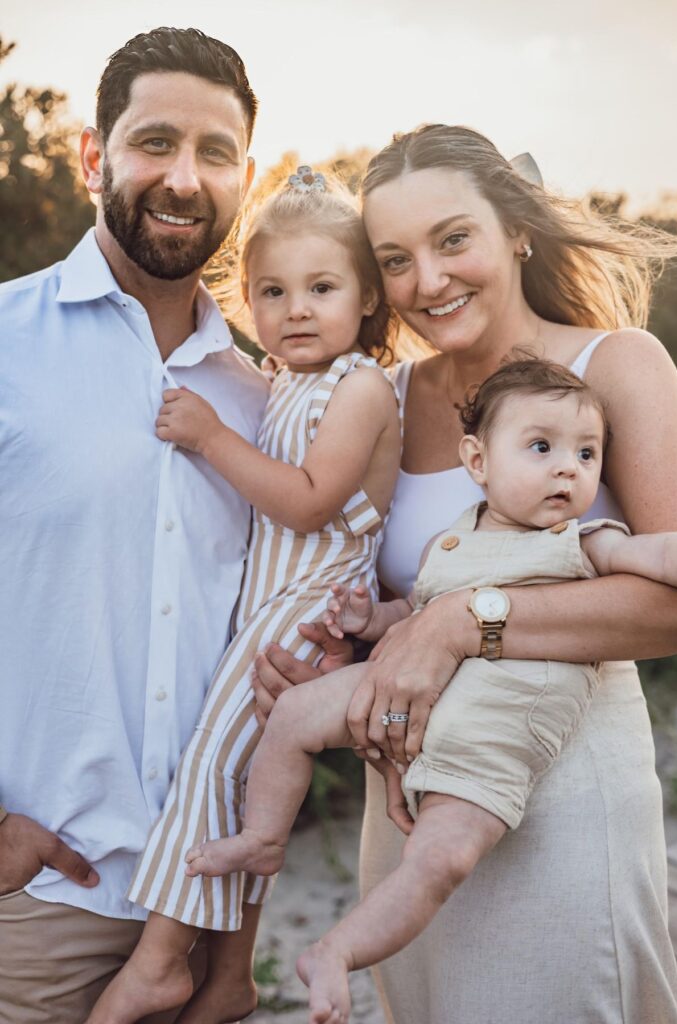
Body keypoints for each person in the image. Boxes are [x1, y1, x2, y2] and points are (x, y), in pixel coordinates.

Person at [253, 125, 677, 1023]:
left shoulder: (614, 365)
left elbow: (670, 607)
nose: (429, 281)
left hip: (558, 795)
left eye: (454, 240)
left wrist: (459, 625)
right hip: (405, 806)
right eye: (395, 259)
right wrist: (319, 660)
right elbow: (378, 592)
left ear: (515, 230)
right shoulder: (385, 395)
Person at [185, 357, 677, 1024]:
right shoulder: (447, 543)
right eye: (541, 448)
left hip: (495, 735)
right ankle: (264, 836)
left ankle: (338, 951)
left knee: (438, 859)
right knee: (298, 712)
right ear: (476, 460)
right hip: (424, 702)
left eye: (586, 453)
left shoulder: (583, 543)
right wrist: (369, 621)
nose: (568, 468)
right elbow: (416, 614)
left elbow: (659, 559)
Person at [0, 26, 273, 1024]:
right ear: (91, 155)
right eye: (155, 141)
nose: (184, 177)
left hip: (205, 911)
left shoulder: (264, 401)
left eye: (215, 152)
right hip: (38, 908)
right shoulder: (6, 344)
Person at [87, 171, 402, 1024]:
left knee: (212, 766)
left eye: (321, 288)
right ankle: (226, 976)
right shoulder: (288, 380)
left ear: (368, 296)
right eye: (271, 291)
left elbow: (305, 499)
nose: (294, 308)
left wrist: (212, 435)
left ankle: (159, 963)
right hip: (264, 607)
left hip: (308, 609)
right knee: (220, 766)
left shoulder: (363, 388)